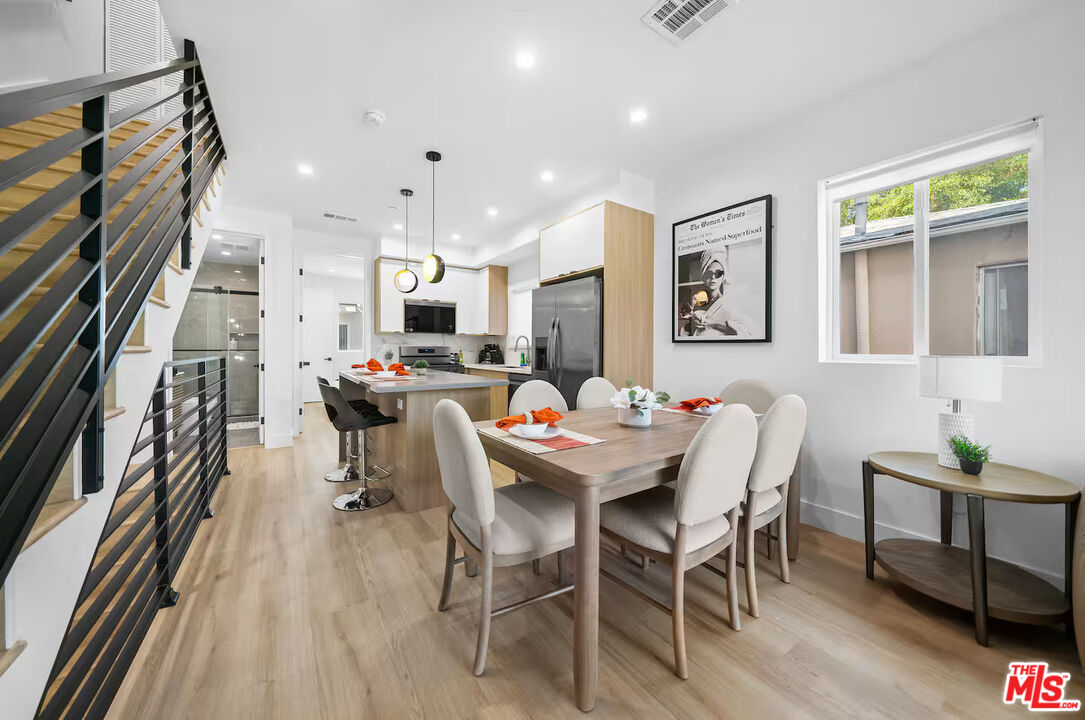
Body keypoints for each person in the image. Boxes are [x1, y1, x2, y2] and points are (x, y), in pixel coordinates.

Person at [686, 247, 756, 337]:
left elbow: (747, 333)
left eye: (718, 273)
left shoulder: (730, 303)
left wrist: (714, 324)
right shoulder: (700, 301)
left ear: (724, 276)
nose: (713, 278)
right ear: (703, 276)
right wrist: (691, 314)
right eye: (708, 274)